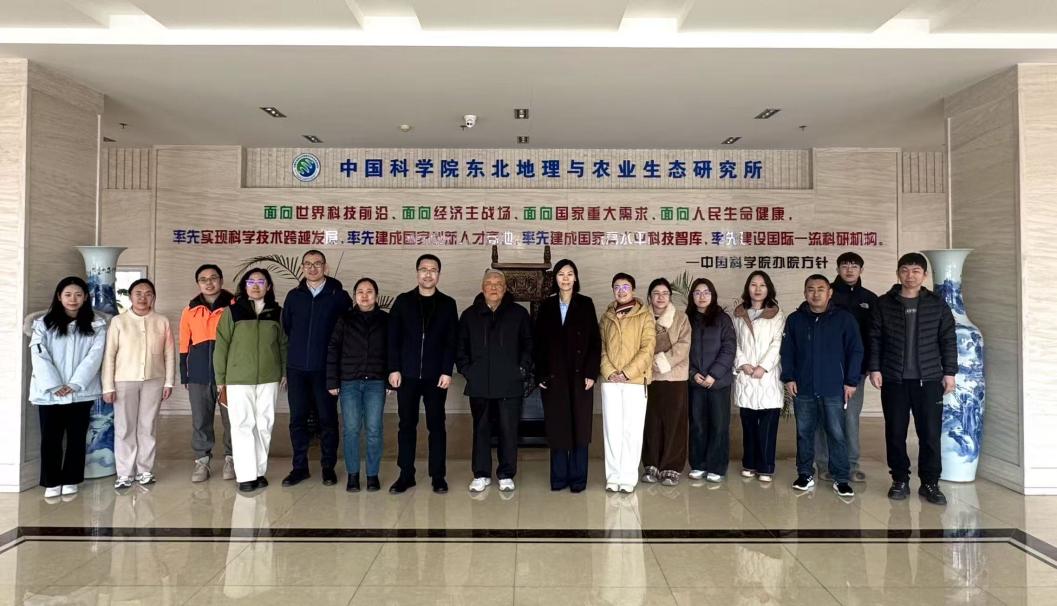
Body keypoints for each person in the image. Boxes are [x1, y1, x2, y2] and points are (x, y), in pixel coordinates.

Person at [869, 252, 957, 506]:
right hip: (894, 379)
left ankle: (930, 483)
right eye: (905, 270)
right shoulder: (884, 303)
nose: (910, 275)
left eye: (916, 271)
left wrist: (949, 372)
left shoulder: (937, 304)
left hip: (929, 380)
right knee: (895, 432)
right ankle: (899, 479)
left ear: (924, 275)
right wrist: (875, 368)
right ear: (898, 273)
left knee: (930, 434)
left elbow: (948, 339)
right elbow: (874, 338)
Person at [781, 274, 864, 498]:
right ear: (804, 293)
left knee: (836, 433)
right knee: (804, 432)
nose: (815, 293)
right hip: (804, 387)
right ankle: (805, 474)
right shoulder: (795, 320)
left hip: (834, 387)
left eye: (820, 289)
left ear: (830, 293)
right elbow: (787, 351)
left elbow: (855, 350)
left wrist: (851, 381)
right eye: (811, 289)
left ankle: (841, 478)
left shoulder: (844, 319)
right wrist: (788, 377)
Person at [29, 277, 107, 498]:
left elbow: (95, 357)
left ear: (85, 297)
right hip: (49, 392)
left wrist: (74, 384)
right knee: (50, 438)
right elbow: (39, 354)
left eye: (78, 295)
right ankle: (52, 481)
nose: (73, 299)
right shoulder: (43, 323)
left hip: (81, 391)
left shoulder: (96, 324)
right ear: (59, 297)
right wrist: (54, 385)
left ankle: (71, 479)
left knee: (76, 438)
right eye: (68, 295)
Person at [387, 254, 459, 494]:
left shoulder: (448, 304)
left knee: (436, 426)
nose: (428, 274)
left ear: (439, 274)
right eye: (424, 269)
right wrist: (394, 368)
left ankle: (438, 476)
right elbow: (393, 338)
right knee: (406, 425)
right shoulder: (403, 301)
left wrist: (447, 371)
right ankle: (406, 474)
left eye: (433, 269)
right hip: (406, 375)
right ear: (417, 272)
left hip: (435, 377)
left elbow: (451, 341)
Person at [457, 269, 533, 493]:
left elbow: (529, 345)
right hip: (479, 383)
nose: (493, 287)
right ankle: (481, 474)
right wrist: (468, 371)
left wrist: (521, 370)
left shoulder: (519, 314)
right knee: (481, 429)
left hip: (510, 384)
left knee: (508, 431)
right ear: (482, 288)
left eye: (498, 283)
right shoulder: (469, 315)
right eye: (489, 283)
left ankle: (506, 473)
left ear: (505, 288)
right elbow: (460, 347)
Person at [281, 250, 352, 488]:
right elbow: (288, 327)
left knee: (327, 419)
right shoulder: (294, 296)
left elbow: (345, 332)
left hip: (326, 369)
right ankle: (299, 467)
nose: (312, 268)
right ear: (302, 267)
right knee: (298, 419)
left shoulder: (339, 296)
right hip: (297, 368)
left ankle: (328, 467)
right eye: (308, 264)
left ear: (326, 267)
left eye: (317, 264)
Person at [215, 268, 288, 493]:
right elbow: (221, 345)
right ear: (244, 286)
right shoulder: (232, 312)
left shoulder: (277, 312)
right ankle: (246, 475)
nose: (256, 286)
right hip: (238, 378)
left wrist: (284, 372)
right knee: (242, 425)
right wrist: (220, 379)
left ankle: (259, 471)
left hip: (269, 377)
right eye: (251, 281)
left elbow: (283, 344)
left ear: (269, 286)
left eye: (261, 281)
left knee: (264, 424)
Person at [534, 259, 601, 493]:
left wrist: (591, 373)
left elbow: (595, 342)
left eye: (570, 273)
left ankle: (579, 479)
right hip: (554, 377)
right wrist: (540, 374)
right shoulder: (546, 306)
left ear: (576, 278)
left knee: (580, 428)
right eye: (561, 274)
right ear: (555, 279)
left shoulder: (586, 303)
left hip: (581, 376)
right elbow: (538, 344)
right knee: (558, 427)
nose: (565, 278)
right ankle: (559, 477)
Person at [102, 278, 175, 489]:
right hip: (124, 380)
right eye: (138, 293)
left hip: (154, 380)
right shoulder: (119, 321)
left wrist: (169, 382)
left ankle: (145, 470)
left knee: (148, 426)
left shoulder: (161, 321)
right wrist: (108, 386)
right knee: (124, 427)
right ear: (131, 296)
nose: (143, 297)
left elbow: (169, 354)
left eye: (148, 294)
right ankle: (125, 473)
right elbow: (109, 355)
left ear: (154, 297)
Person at [816, 251, 878, 483]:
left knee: (850, 417)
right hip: (826, 368)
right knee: (824, 416)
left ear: (861, 270)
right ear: (837, 269)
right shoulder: (827, 294)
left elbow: (874, 335)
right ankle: (824, 464)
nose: (849, 270)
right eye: (845, 266)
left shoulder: (870, 299)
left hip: (855, 369)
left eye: (854, 266)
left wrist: (871, 365)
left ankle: (851, 465)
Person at [326, 277, 389, 493]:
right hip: (349, 382)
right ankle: (353, 475)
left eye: (369, 291)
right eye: (360, 291)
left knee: (374, 430)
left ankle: (372, 475)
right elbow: (333, 349)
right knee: (351, 429)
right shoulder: (344, 319)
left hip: (376, 382)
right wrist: (332, 380)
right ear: (354, 296)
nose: (364, 295)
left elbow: (392, 350)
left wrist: (391, 379)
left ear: (376, 296)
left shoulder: (385, 320)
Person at [599, 273, 656, 493]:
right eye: (617, 287)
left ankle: (628, 478)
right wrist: (610, 372)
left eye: (625, 287)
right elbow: (601, 348)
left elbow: (648, 348)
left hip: (635, 382)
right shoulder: (606, 317)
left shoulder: (645, 315)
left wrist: (627, 373)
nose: (621, 291)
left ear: (633, 290)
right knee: (612, 431)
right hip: (611, 382)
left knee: (631, 431)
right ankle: (613, 477)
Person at [179, 263, 235, 483]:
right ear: (198, 283)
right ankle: (202, 460)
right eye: (203, 279)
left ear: (221, 280)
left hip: (229, 374)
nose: (209, 283)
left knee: (232, 419)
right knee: (201, 419)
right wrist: (185, 373)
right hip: (199, 374)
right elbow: (184, 343)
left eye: (213, 278)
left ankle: (232, 458)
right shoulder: (190, 310)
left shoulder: (235, 306)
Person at [732, 270, 785, 483]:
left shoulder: (777, 314)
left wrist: (763, 367)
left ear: (768, 288)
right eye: (753, 285)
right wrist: (743, 363)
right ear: (748, 288)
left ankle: (766, 466)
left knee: (768, 426)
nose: (757, 289)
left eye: (762, 285)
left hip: (767, 377)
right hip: (746, 375)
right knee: (748, 425)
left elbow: (778, 343)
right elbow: (733, 342)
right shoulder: (738, 313)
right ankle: (749, 463)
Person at [686, 278, 737, 483]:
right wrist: (692, 374)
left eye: (706, 292)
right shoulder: (686, 319)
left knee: (719, 425)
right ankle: (698, 464)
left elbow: (729, 348)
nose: (702, 296)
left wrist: (713, 374)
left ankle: (717, 466)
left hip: (719, 382)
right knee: (697, 424)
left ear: (713, 295)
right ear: (692, 296)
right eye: (697, 292)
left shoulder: (723, 319)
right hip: (695, 382)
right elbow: (681, 350)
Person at [641, 278, 691, 486]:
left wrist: (659, 362)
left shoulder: (681, 318)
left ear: (670, 297)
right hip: (648, 376)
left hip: (674, 377)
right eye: (656, 293)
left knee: (674, 422)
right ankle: (651, 464)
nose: (660, 297)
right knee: (651, 422)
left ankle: (671, 466)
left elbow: (683, 346)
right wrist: (646, 362)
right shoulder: (641, 317)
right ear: (649, 297)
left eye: (665, 293)